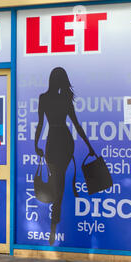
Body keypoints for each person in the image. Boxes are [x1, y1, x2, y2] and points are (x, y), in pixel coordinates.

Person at [34, 67, 95, 245]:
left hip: (53, 141)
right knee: (58, 183)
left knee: (57, 182)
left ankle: (54, 226)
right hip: (65, 141)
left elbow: (40, 124)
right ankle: (55, 224)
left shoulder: (44, 98)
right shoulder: (65, 98)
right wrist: (89, 146)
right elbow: (76, 125)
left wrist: (36, 144)